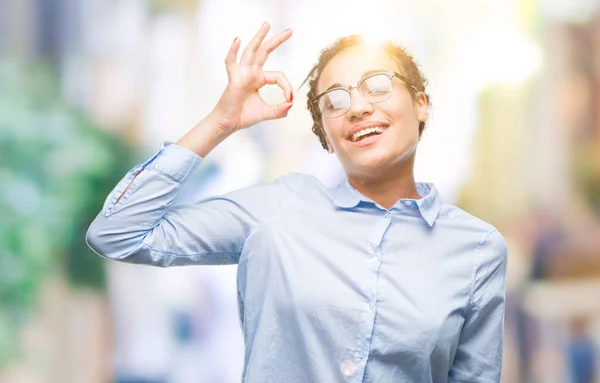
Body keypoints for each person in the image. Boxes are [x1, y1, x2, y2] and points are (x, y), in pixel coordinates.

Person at [87, 22, 508, 383]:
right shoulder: (278, 210)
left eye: (378, 85)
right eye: (335, 101)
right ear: (326, 134)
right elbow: (117, 233)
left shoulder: (476, 249)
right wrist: (221, 121)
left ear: (421, 104)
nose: (358, 107)